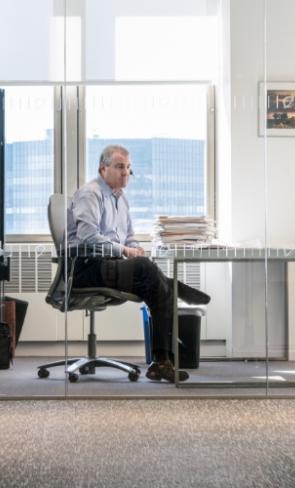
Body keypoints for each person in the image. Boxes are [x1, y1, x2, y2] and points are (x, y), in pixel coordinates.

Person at [65, 144, 210, 382]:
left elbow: (129, 236)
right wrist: (126, 251)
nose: (125, 173)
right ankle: (175, 286)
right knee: (145, 268)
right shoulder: (91, 193)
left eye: (128, 168)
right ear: (103, 168)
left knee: (158, 288)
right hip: (86, 266)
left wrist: (134, 248)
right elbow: (87, 237)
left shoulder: (121, 199)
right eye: (120, 167)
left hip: (110, 264)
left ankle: (161, 362)